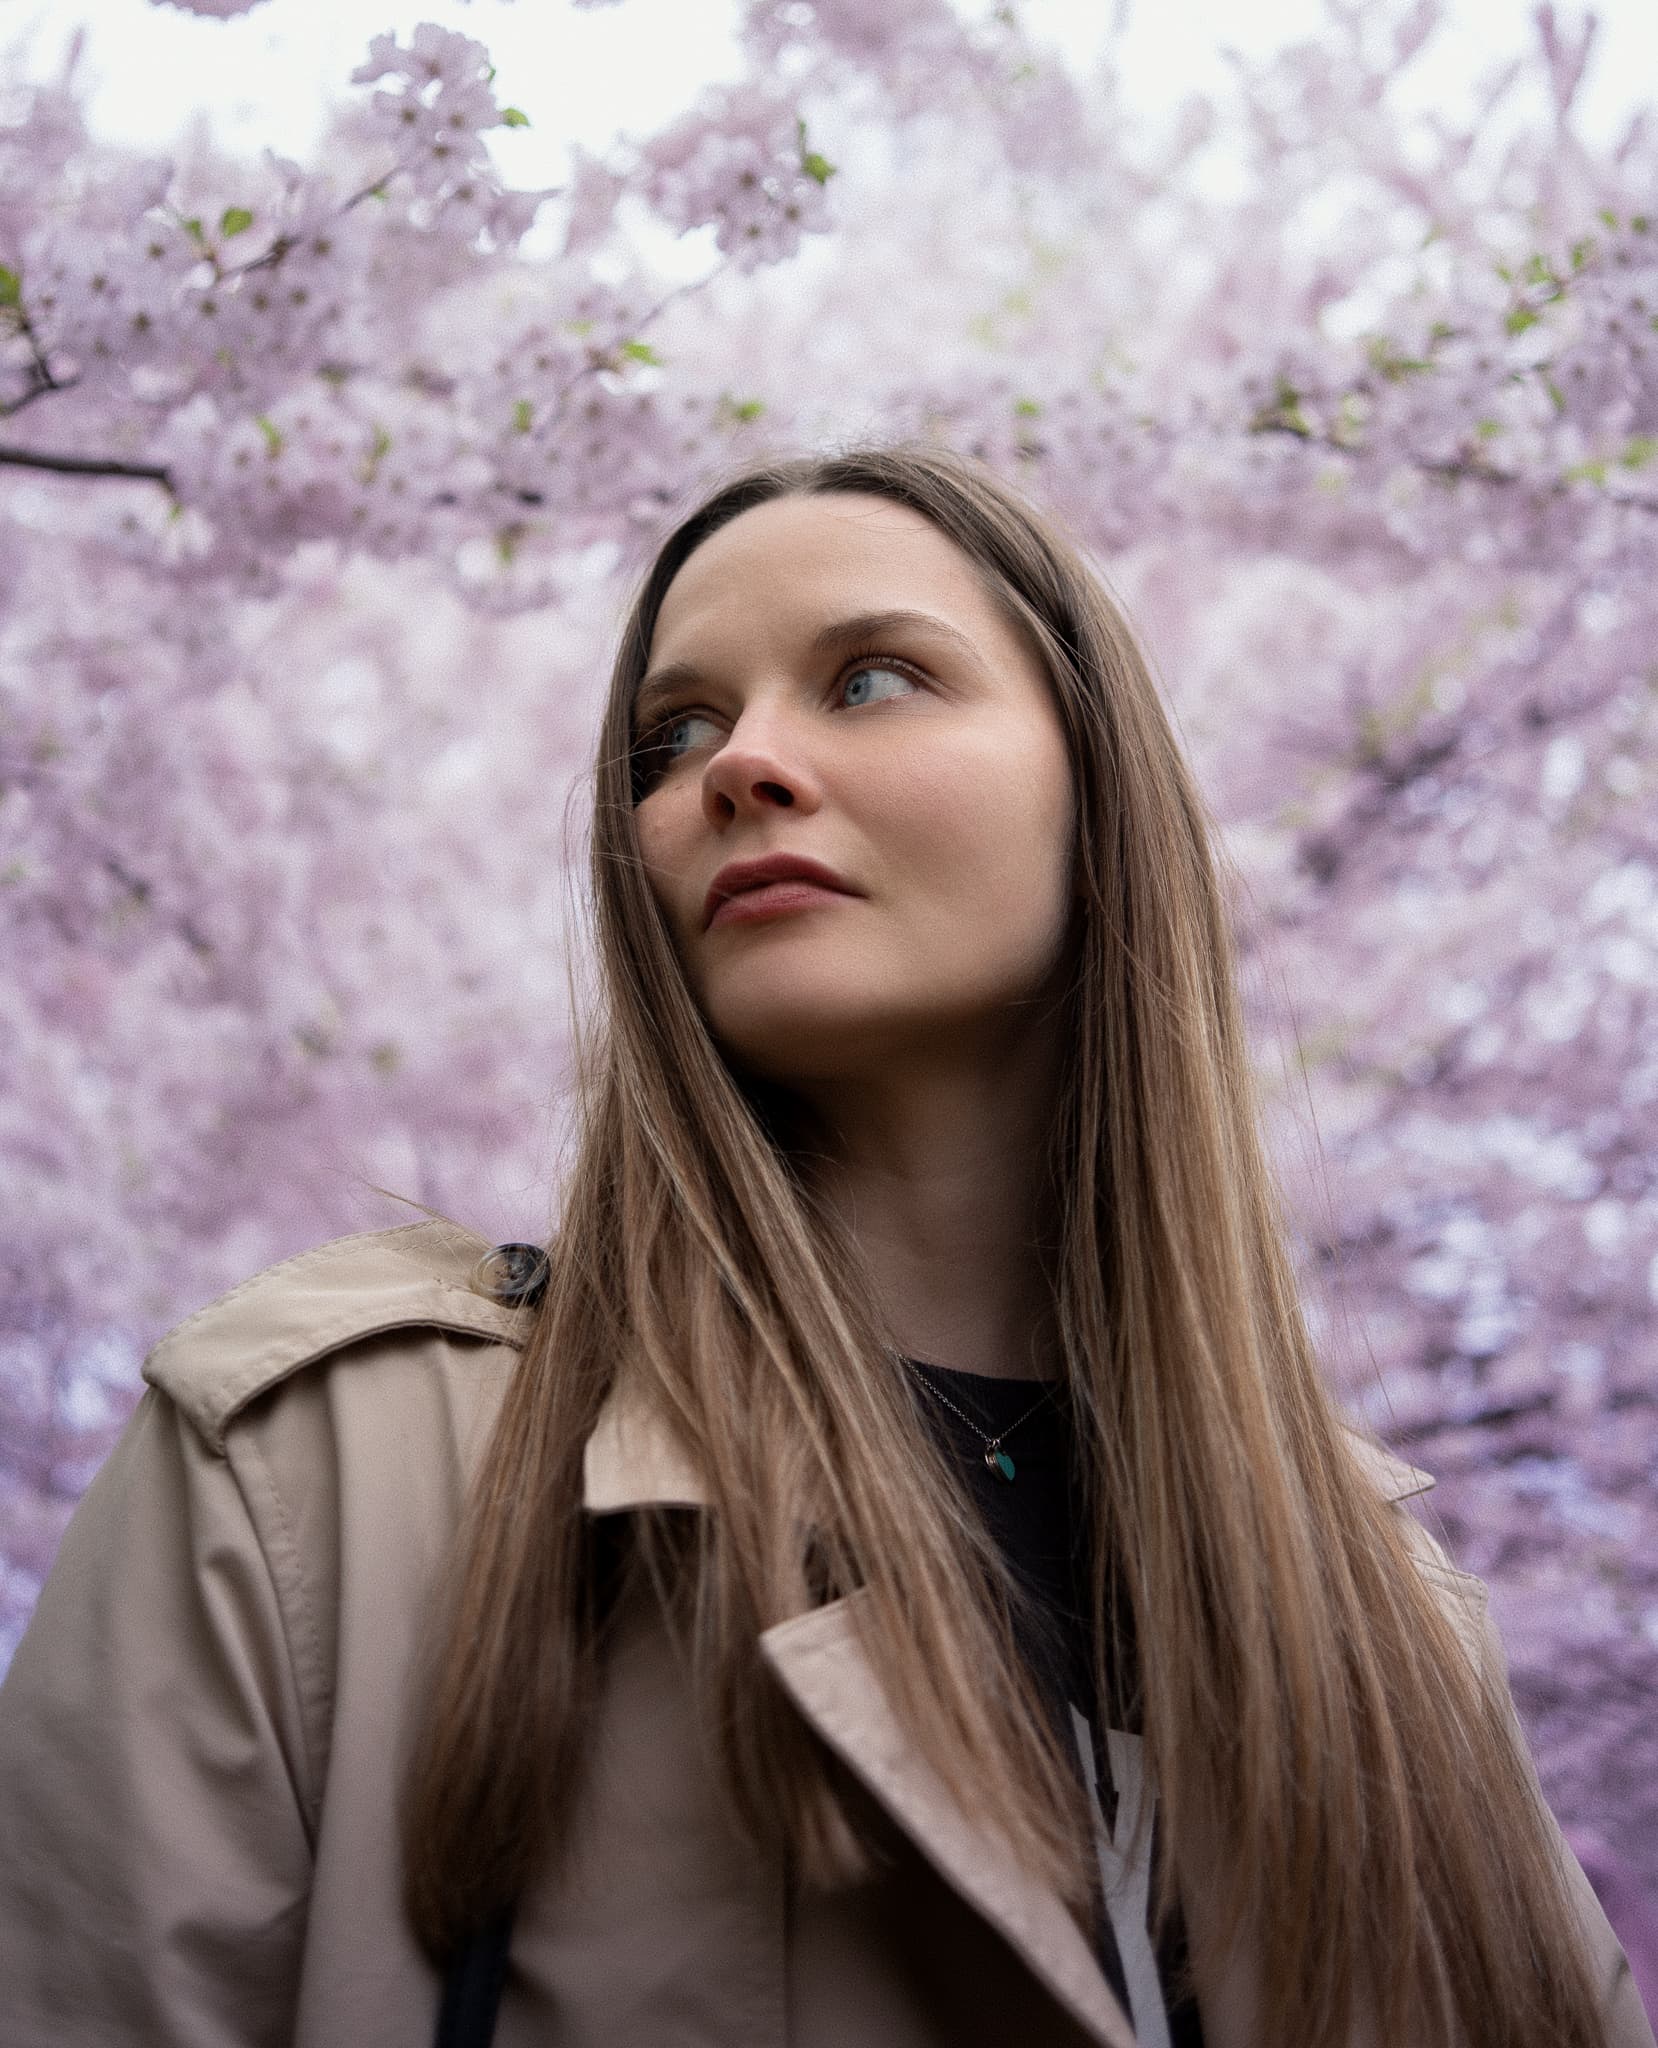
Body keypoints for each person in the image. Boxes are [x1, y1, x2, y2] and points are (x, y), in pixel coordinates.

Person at [0, 447, 1649, 2048]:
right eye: (672, 734)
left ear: (1101, 785)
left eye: (868, 681)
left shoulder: (1392, 1618)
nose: (737, 767)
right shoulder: (324, 1471)